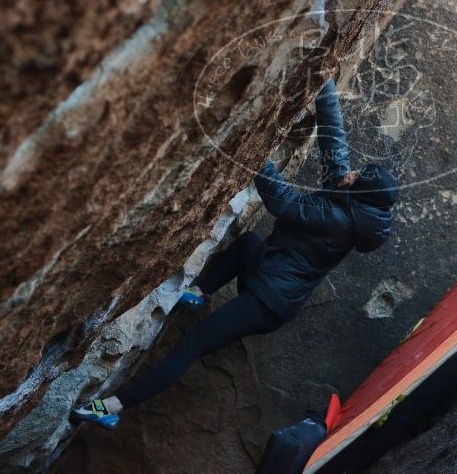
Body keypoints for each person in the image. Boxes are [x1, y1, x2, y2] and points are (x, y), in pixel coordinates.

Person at [72, 78, 399, 429]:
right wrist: (325, 83)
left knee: (193, 344)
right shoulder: (346, 195)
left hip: (265, 304)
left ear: (359, 192)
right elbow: (334, 142)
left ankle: (109, 410)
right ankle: (199, 292)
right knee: (247, 244)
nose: (349, 172)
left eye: (355, 176)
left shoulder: (337, 219)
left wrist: (256, 152)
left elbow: (283, 203)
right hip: (267, 272)